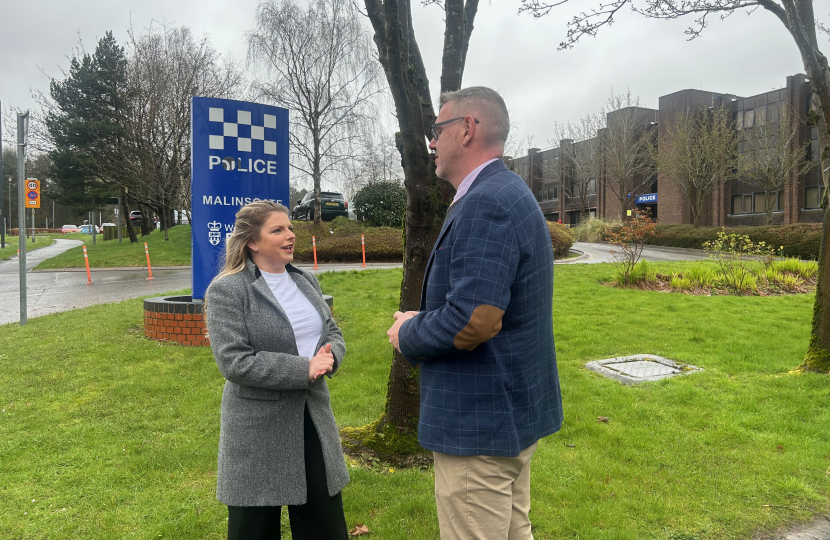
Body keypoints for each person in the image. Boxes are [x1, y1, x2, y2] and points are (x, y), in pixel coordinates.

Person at [386, 87, 563, 540]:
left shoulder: (485, 202)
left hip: (479, 428)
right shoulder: (505, 190)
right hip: (508, 418)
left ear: (467, 129)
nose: (431, 143)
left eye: (437, 130)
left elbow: (476, 319)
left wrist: (409, 332)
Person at [205, 200, 350, 540]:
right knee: (253, 529)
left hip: (312, 417)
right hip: (257, 428)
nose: (290, 235)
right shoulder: (228, 290)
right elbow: (234, 361)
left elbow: (332, 331)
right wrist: (304, 368)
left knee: (324, 525)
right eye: (278, 230)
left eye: (290, 228)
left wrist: (331, 356)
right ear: (252, 242)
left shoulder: (306, 281)